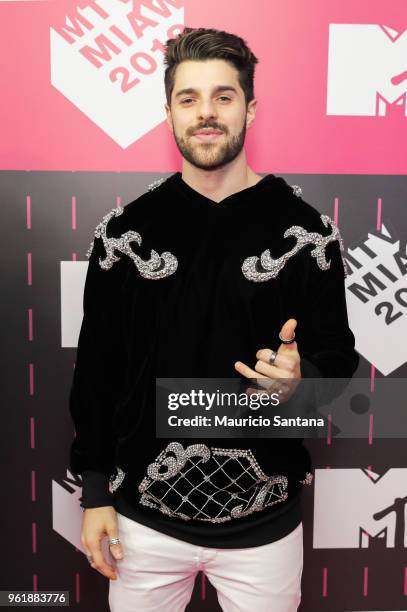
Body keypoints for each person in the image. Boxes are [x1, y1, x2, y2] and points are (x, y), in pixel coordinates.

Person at [68, 27, 359, 612]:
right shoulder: (125, 236)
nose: (206, 114)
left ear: (250, 107)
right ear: (168, 112)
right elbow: (97, 372)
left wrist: (301, 382)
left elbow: (340, 359)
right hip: (140, 523)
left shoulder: (307, 233)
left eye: (224, 97)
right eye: (189, 97)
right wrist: (95, 492)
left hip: (265, 527)